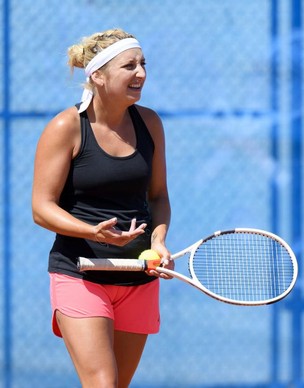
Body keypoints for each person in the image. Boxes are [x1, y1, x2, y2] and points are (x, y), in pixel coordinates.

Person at [32, 28, 173, 387]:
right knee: (102, 384)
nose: (140, 73)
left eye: (143, 64)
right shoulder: (66, 127)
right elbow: (41, 208)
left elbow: (157, 196)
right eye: (129, 65)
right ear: (97, 75)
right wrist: (91, 232)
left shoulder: (150, 123)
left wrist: (158, 243)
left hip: (138, 278)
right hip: (80, 273)